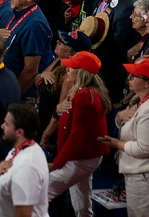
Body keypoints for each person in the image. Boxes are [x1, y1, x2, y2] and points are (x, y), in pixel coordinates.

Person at [98, 59, 149, 217]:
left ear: (147, 83)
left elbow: (145, 149)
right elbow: (129, 125)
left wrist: (117, 144)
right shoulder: (138, 101)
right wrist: (119, 117)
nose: (129, 79)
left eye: (134, 76)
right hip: (142, 171)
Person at [47, 52, 111, 217]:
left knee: (40, 192)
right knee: (82, 204)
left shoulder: (84, 95)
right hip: (85, 156)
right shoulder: (85, 91)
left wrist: (56, 164)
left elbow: (77, 135)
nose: (67, 69)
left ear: (82, 72)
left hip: (80, 158)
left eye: (72, 67)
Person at [0, 103, 49, 217]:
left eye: (7, 124)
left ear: (19, 132)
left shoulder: (26, 167)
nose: (2, 126)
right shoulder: (19, 149)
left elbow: (23, 214)